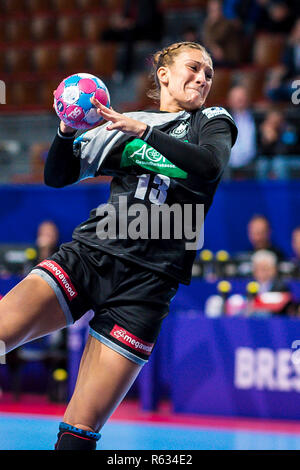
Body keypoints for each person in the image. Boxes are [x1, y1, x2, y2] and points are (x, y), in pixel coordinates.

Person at [0, 41, 237, 450]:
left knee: (80, 432)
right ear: (163, 74)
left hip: (148, 286)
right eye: (194, 68)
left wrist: (142, 132)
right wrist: (66, 130)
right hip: (91, 257)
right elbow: (58, 176)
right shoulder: (126, 122)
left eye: (209, 74)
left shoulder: (212, 121)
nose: (202, 79)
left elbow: (208, 167)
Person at [225, 85, 257, 178]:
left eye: (242, 97)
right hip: (227, 163)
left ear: (248, 99)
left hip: (253, 161)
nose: (240, 100)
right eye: (236, 98)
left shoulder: (257, 117)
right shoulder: (222, 119)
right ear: (229, 101)